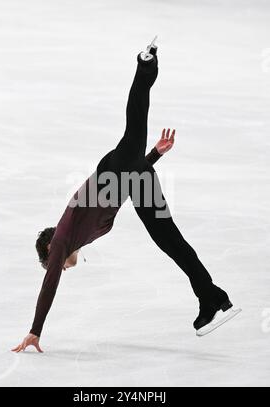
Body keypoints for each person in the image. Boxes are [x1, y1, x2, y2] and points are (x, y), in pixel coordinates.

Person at [12, 39, 240, 353]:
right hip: (134, 178)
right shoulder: (78, 237)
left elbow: (49, 284)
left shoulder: (64, 236)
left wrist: (35, 330)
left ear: (51, 248)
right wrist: (153, 157)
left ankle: (146, 64)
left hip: (115, 170)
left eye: (54, 261)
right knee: (171, 242)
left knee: (135, 123)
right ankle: (212, 298)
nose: (59, 267)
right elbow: (122, 188)